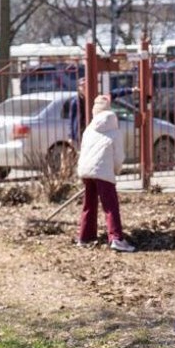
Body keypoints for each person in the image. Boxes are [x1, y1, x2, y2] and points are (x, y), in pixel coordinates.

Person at [75, 95, 131, 252]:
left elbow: (83, 150)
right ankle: (116, 238)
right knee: (110, 206)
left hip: (87, 171)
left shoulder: (89, 130)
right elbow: (118, 156)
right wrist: (116, 170)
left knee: (89, 205)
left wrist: (83, 171)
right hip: (104, 171)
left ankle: (85, 237)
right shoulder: (114, 131)